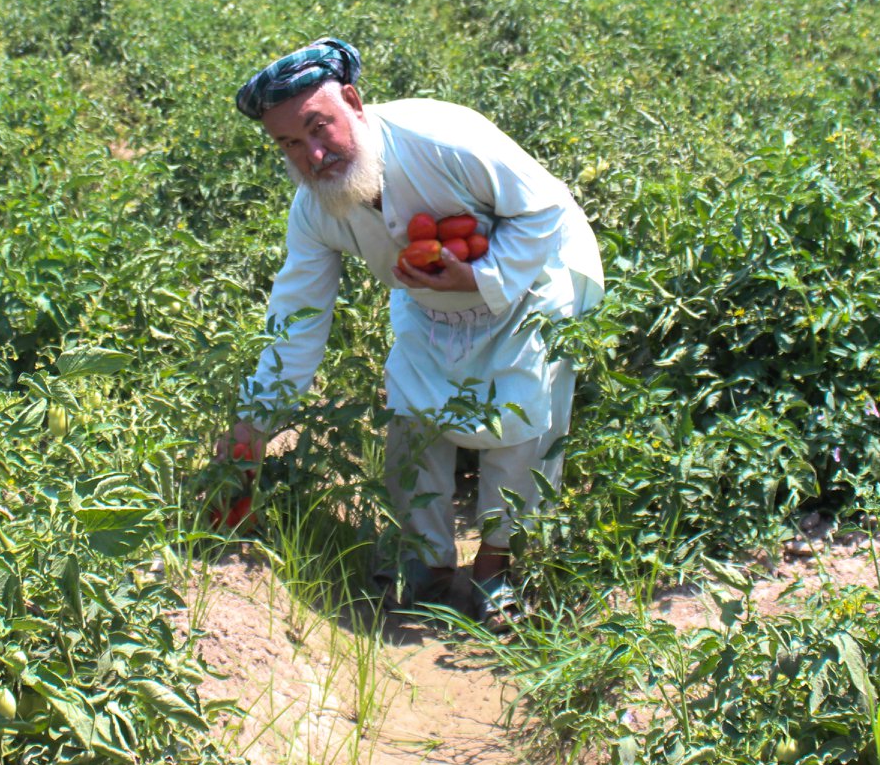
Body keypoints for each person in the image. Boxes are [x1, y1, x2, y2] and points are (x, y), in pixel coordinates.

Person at [218, 38, 603, 621]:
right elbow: (298, 316)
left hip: (534, 280)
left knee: (522, 418)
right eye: (291, 144)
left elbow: (546, 210)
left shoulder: (442, 138)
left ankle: (499, 567)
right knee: (414, 414)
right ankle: (424, 561)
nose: (314, 155)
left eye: (319, 128)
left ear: (353, 101)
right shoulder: (316, 209)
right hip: (431, 303)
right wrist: (253, 424)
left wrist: (481, 276)